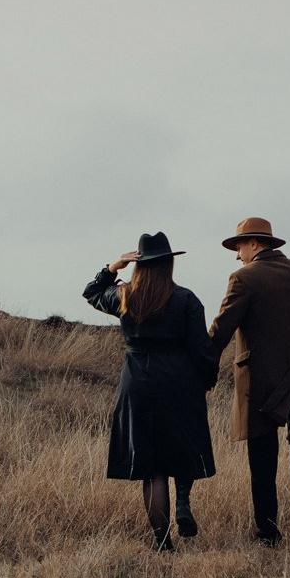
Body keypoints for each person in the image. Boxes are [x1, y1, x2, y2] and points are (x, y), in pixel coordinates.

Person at [82, 231, 219, 551]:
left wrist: (111, 267)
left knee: (152, 468)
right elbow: (202, 348)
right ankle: (183, 503)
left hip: (138, 383)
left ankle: (162, 543)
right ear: (170, 263)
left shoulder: (124, 296)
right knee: (184, 446)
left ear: (138, 265)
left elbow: (91, 293)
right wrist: (206, 379)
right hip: (179, 380)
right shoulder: (186, 299)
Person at [209, 217, 290, 545]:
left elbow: (222, 329)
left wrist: (200, 361)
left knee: (262, 453)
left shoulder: (244, 278)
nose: (236, 255)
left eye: (239, 247)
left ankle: (268, 529)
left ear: (255, 244)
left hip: (259, 375)